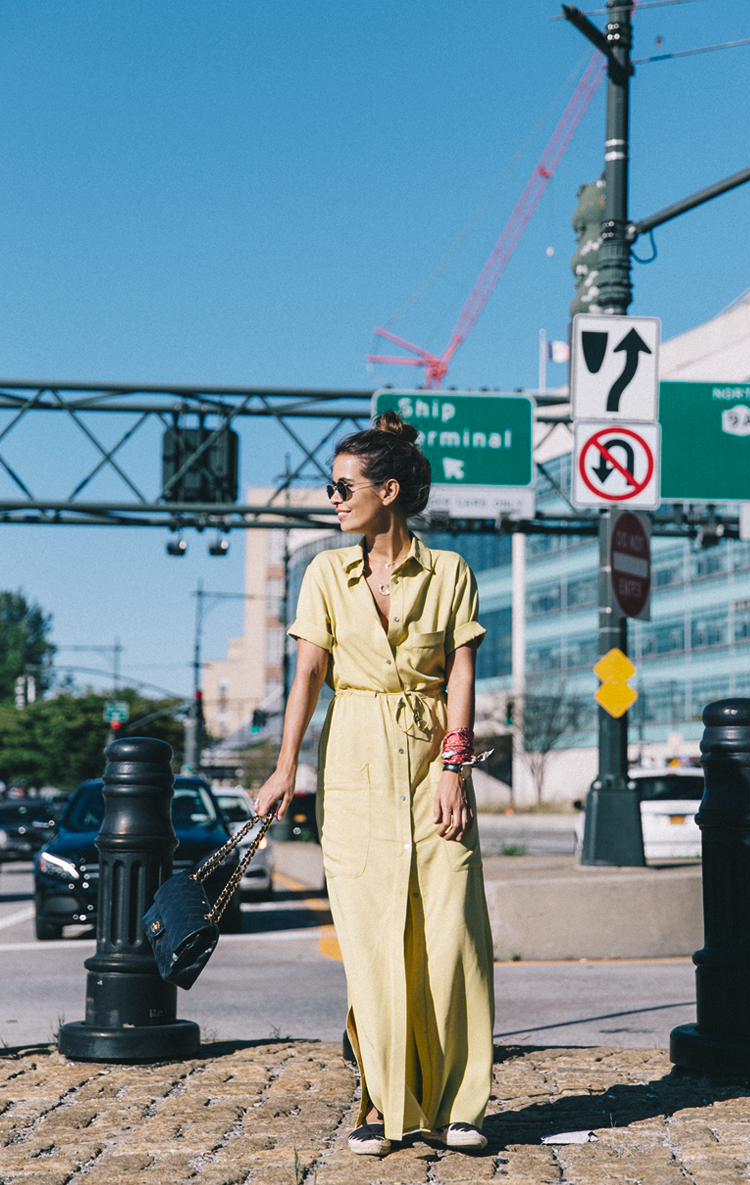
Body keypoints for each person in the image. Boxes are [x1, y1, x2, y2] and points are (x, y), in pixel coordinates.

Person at [254, 411, 494, 1156]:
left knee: (451, 935)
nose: (332, 498)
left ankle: (460, 1104)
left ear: (387, 490)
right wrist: (287, 764)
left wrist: (453, 767)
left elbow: (460, 674)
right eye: (332, 487)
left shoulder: (449, 571)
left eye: (342, 486)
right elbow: (308, 674)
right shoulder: (325, 572)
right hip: (353, 763)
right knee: (370, 941)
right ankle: (385, 1106)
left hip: (433, 768)